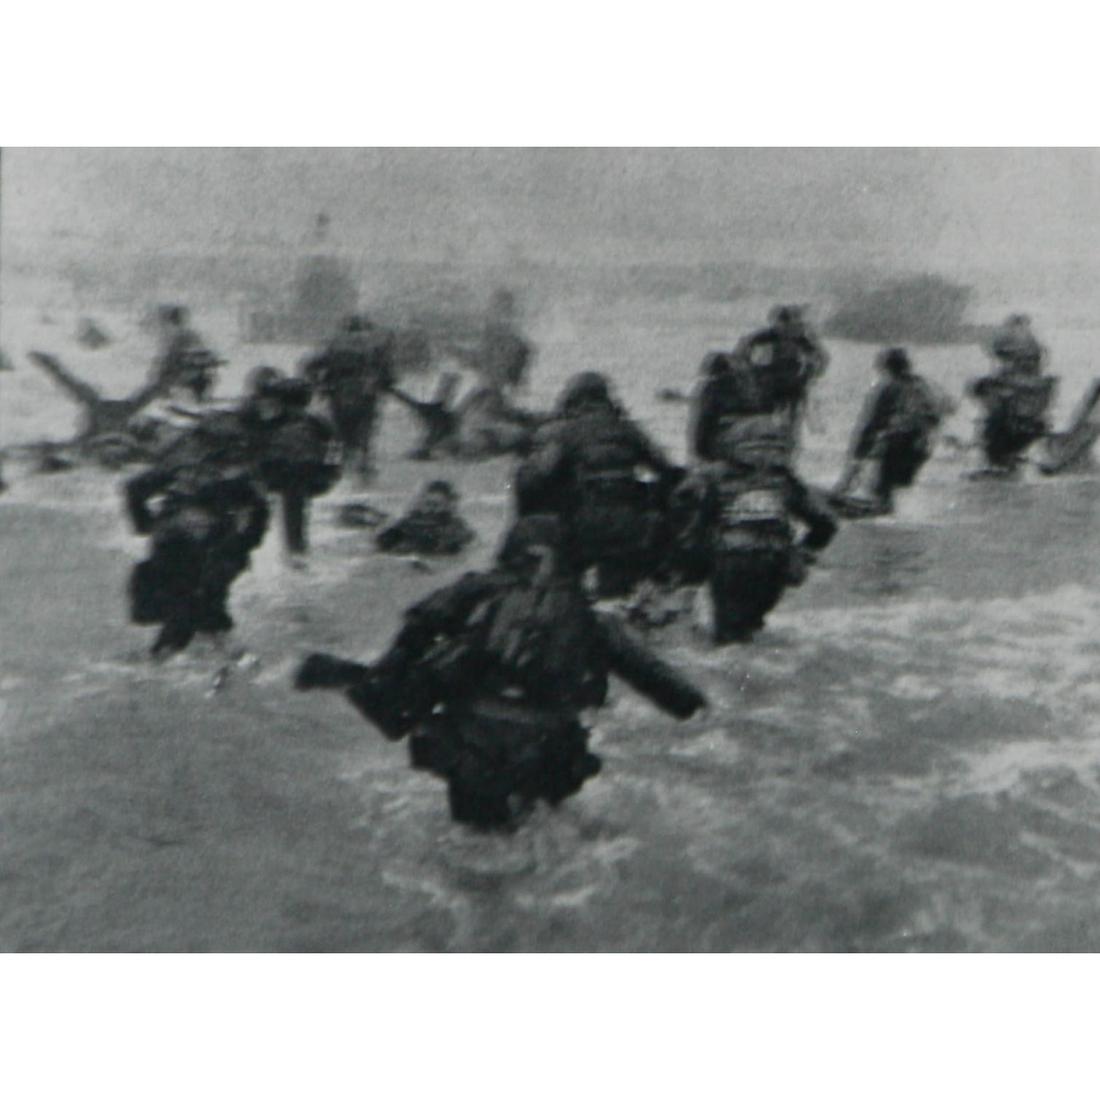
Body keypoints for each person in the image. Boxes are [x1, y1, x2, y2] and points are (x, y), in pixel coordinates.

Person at [294, 515, 707, 831]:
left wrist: (386, 681)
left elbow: (417, 627)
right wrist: (697, 710)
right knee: (541, 834)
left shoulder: (478, 588)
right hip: (550, 748)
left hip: (471, 741)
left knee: (475, 846)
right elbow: (657, 680)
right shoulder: (591, 618)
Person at [516, 372, 681, 598]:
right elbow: (668, 471)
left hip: (586, 529)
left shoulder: (567, 432)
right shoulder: (628, 429)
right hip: (634, 528)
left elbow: (537, 479)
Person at [125, 415, 269, 657]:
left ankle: (181, 652)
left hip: (173, 540)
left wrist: (145, 524)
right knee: (200, 603)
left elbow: (135, 488)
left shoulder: (180, 465)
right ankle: (180, 654)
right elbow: (259, 510)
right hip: (208, 546)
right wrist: (246, 543)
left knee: (190, 603)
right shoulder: (240, 476)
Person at [687, 417, 837, 644]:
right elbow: (826, 522)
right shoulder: (785, 480)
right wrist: (804, 552)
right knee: (752, 626)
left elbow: (688, 514)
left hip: (731, 562)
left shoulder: (712, 476)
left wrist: (696, 559)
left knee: (729, 638)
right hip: (775, 562)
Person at [692, 306, 828, 466]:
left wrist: (810, 373)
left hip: (792, 392)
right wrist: (747, 378)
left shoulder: (803, 341)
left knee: (790, 429)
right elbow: (739, 358)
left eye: (793, 325)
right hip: (766, 391)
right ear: (777, 323)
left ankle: (787, 459)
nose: (790, 329)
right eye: (785, 324)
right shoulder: (760, 339)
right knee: (766, 425)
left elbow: (822, 359)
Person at [833, 348, 953, 514]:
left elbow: (868, 424)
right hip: (924, 445)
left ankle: (876, 516)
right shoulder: (925, 384)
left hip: (898, 443)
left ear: (884, 367)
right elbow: (948, 407)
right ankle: (889, 517)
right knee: (894, 491)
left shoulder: (886, 386)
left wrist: (853, 463)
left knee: (880, 490)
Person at [241, 371, 341, 563]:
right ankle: (295, 552)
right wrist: (329, 473)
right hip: (300, 476)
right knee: (294, 511)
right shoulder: (317, 421)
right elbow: (334, 450)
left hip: (283, 473)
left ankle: (290, 552)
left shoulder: (262, 417)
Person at [301, 314, 396, 481]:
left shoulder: (332, 343)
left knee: (338, 431)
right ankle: (364, 468)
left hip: (339, 390)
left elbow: (309, 365)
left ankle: (335, 470)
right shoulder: (374, 344)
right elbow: (388, 371)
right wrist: (383, 383)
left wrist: (319, 384)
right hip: (366, 391)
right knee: (365, 431)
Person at [969, 322, 1057, 475]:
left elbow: (1038, 403)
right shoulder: (1000, 383)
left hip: (1020, 430)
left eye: (1031, 360)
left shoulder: (1033, 383)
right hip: (1006, 432)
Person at [375, 479, 475, 556]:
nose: (430, 510)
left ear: (449, 505)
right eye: (427, 504)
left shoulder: (456, 526)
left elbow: (461, 542)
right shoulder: (408, 522)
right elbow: (383, 541)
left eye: (436, 505)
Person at [153, 306, 223, 403]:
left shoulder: (174, 338)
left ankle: (166, 397)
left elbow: (169, 359)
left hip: (186, 374)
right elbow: (209, 355)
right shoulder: (194, 335)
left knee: (164, 376)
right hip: (196, 374)